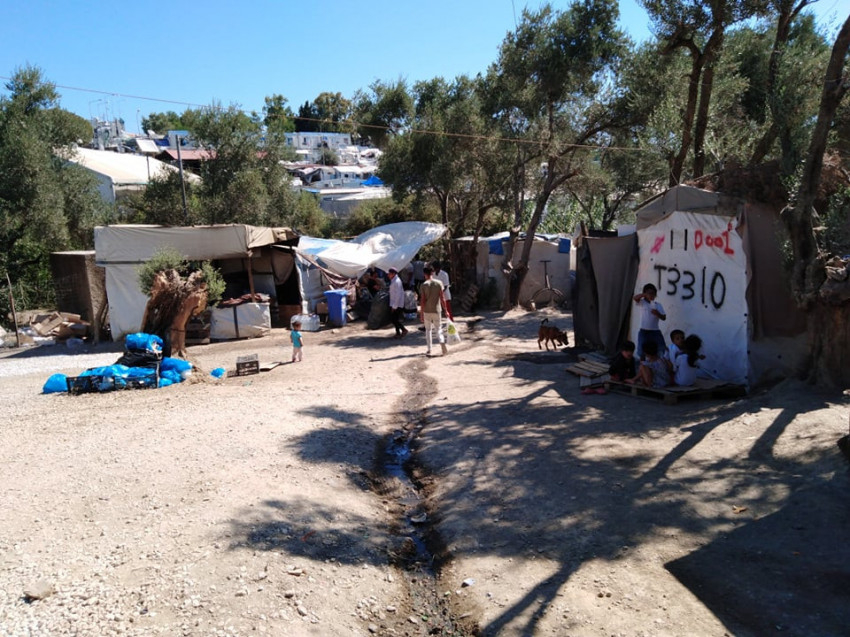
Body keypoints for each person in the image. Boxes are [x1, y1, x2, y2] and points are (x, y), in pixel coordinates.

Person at [419, 265, 448, 356]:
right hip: (437, 310)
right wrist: (446, 310)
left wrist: (421, 313)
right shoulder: (439, 283)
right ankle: (442, 342)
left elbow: (422, 300)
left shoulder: (423, 285)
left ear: (424, 274)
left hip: (427, 310)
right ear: (432, 273)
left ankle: (429, 349)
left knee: (428, 330)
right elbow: (442, 298)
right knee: (438, 328)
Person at [633, 283, 667, 360]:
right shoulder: (642, 303)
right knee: (641, 351)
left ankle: (659, 364)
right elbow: (635, 298)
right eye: (649, 293)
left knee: (661, 349)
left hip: (655, 331)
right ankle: (642, 364)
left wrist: (657, 314)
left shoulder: (658, 305)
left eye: (653, 293)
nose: (651, 295)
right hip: (644, 331)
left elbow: (664, 317)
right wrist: (644, 294)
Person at [387, 267, 408, 339]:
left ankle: (403, 330)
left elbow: (398, 295)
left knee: (394, 319)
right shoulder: (393, 280)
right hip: (393, 303)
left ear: (393, 274)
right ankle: (398, 333)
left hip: (397, 304)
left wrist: (394, 306)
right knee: (394, 318)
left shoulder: (397, 281)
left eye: (389, 274)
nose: (388, 275)